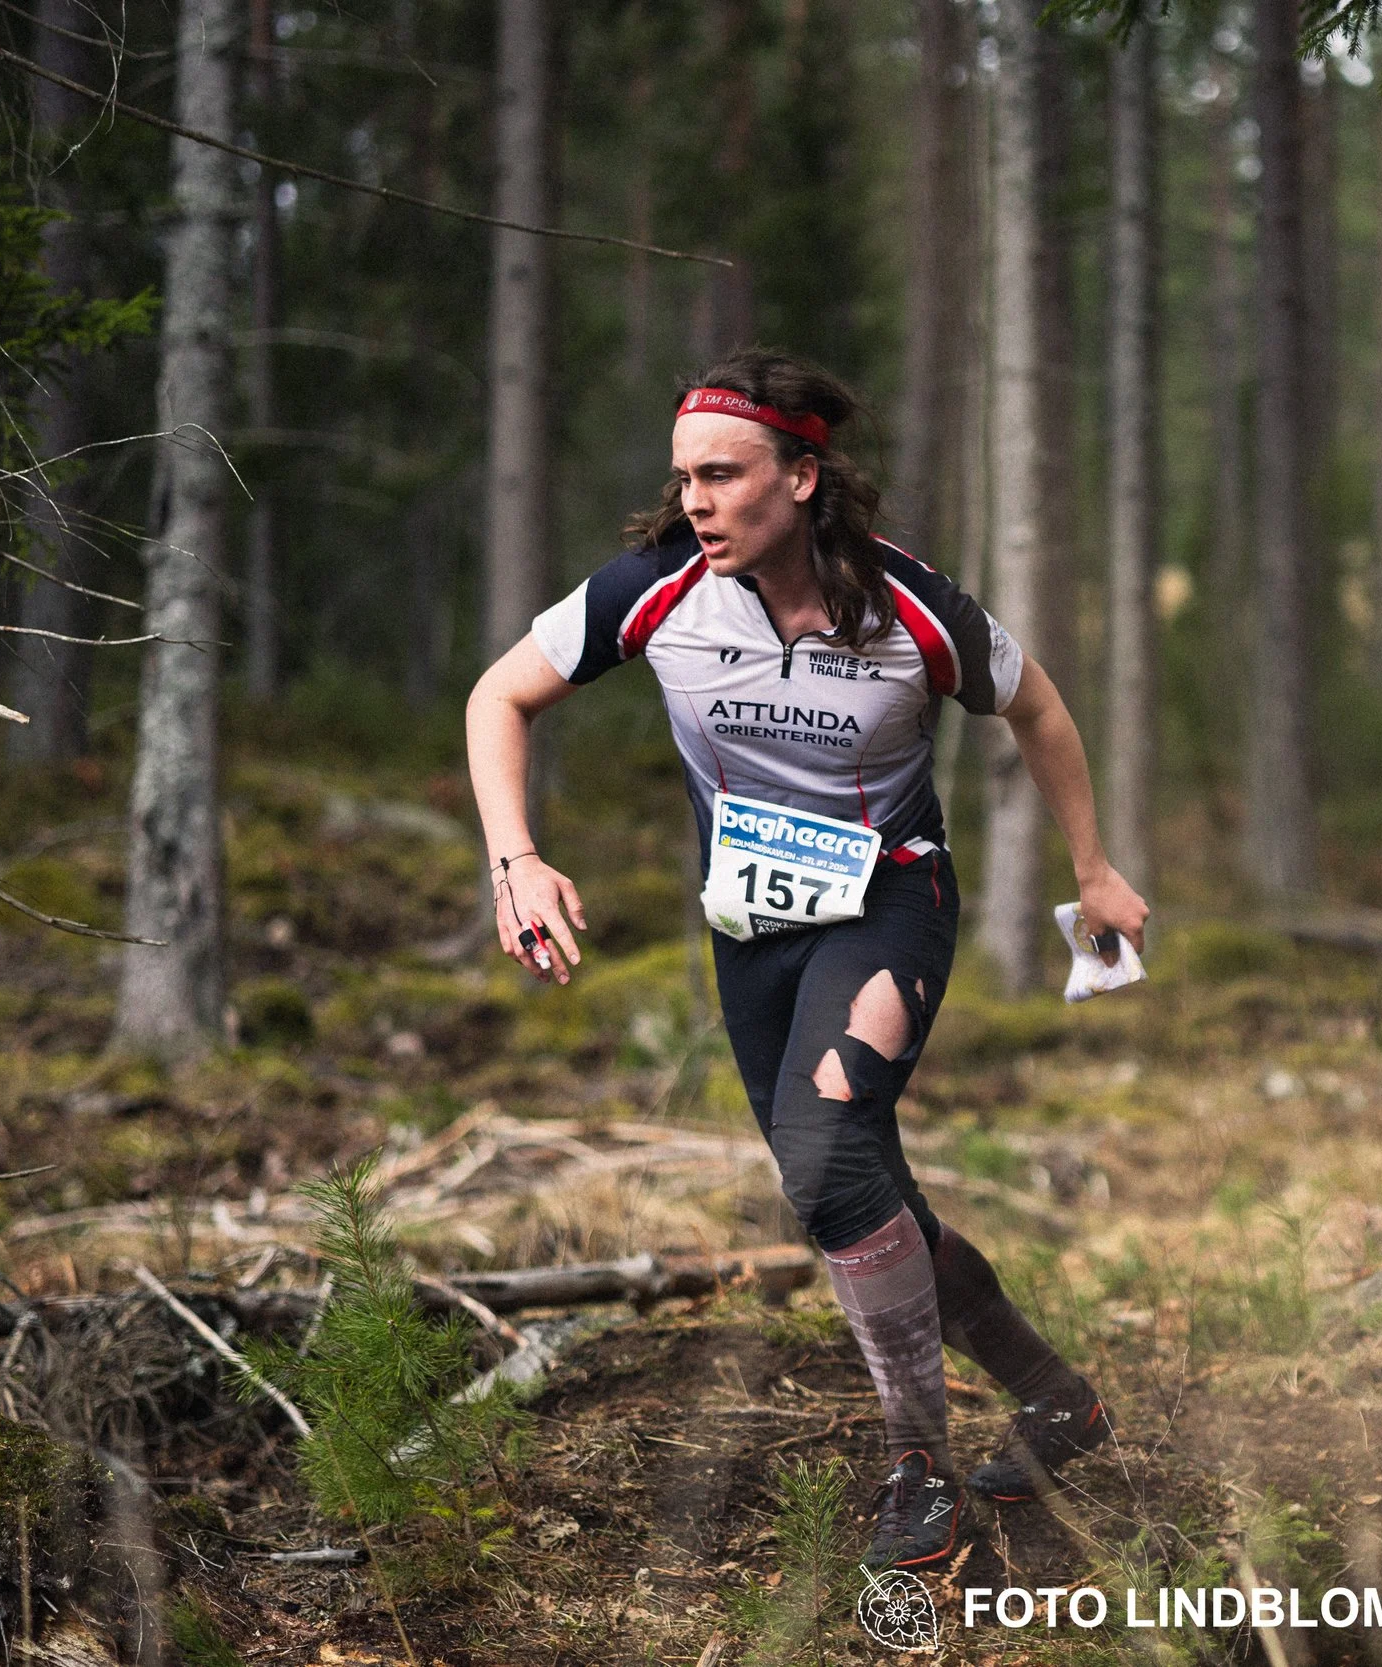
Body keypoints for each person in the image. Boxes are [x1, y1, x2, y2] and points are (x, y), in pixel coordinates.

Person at [465, 350, 1148, 1571]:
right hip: (752, 927)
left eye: (723, 475)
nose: (697, 502)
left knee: (826, 1158)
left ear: (801, 475)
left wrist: (1094, 869)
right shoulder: (654, 591)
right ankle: (1058, 1398)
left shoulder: (910, 608)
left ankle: (918, 1466)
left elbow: (1038, 707)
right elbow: (496, 698)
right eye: (684, 478)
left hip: (890, 904)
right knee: (859, 1186)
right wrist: (514, 858)